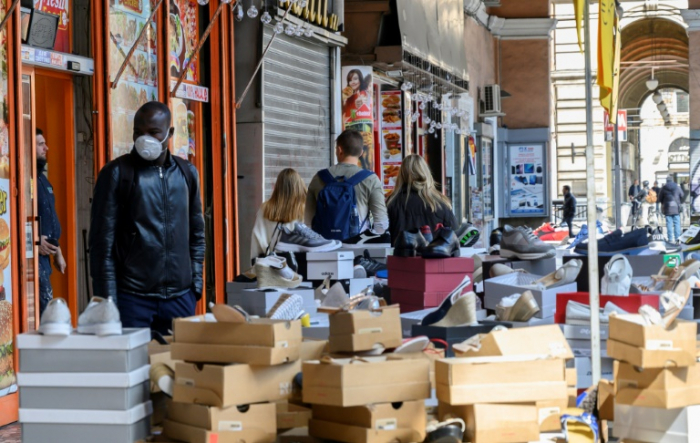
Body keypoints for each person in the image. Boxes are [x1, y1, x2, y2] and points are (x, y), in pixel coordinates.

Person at [89, 101, 205, 334]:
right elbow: (102, 246)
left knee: (174, 368)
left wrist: (196, 285)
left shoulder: (187, 174)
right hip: (132, 299)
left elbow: (197, 235)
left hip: (181, 298)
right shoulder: (116, 174)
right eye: (138, 133)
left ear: (169, 133)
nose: (145, 139)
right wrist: (109, 302)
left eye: (153, 133)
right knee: (134, 369)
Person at [305, 130, 388, 238]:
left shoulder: (319, 178)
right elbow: (381, 223)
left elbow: (308, 222)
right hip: (358, 247)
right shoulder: (371, 179)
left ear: (339, 150)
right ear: (361, 152)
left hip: (325, 248)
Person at [386, 155, 458, 245]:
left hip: (401, 256)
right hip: (433, 256)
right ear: (426, 173)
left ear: (402, 175)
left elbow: (384, 234)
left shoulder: (392, 202)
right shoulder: (441, 203)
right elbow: (453, 234)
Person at [36, 128, 66, 316]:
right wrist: (32, 242)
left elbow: (50, 218)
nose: (46, 147)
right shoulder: (23, 179)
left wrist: (58, 252)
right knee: (44, 316)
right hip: (32, 260)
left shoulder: (42, 180)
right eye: (40, 144)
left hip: (46, 258)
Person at [250, 168, 305, 261]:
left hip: (272, 267)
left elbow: (257, 240)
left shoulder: (265, 208)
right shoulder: (305, 209)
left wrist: (255, 264)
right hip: (299, 265)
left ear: (278, 186)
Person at [658, 174, 684, 243]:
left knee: (669, 223)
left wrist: (664, 202)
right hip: (676, 207)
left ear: (666, 181)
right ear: (672, 180)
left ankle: (670, 239)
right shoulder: (677, 187)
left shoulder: (663, 188)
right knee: (677, 223)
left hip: (667, 208)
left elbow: (660, 198)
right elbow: (682, 195)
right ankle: (677, 239)